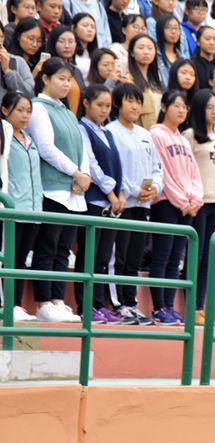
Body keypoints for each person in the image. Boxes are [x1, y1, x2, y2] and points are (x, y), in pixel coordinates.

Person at [26, 57, 92, 324]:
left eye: (69, 79)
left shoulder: (66, 111)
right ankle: (43, 302)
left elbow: (81, 146)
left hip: (74, 191)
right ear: (45, 79)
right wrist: (75, 172)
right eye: (61, 78)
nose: (66, 84)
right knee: (48, 245)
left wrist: (84, 174)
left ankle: (58, 299)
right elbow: (46, 148)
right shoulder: (39, 108)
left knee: (64, 247)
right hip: (52, 188)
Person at [106, 82, 163, 326]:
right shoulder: (111, 131)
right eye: (129, 101)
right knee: (117, 256)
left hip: (143, 205)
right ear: (118, 104)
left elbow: (157, 168)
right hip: (122, 204)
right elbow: (114, 169)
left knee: (134, 257)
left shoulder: (145, 134)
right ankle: (117, 304)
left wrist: (154, 189)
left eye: (138, 101)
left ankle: (131, 302)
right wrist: (132, 190)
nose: (135, 106)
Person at [149, 89, 203, 325]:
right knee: (161, 256)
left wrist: (195, 201)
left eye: (184, 107)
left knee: (175, 259)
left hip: (187, 206)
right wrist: (183, 201)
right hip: (166, 203)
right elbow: (163, 172)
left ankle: (169, 306)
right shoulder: (156, 134)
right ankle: (158, 307)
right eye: (176, 106)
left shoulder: (183, 139)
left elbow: (194, 173)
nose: (181, 110)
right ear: (164, 107)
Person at [75, 83, 126, 325]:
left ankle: (98, 303)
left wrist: (122, 192)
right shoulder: (82, 129)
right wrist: (111, 192)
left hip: (113, 203)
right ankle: (85, 306)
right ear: (86, 103)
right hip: (95, 201)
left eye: (108, 106)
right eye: (99, 105)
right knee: (90, 255)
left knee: (104, 258)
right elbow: (91, 165)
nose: (104, 110)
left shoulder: (107, 132)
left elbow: (119, 164)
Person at [184, 89, 215, 325]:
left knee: (209, 258)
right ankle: (191, 306)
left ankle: (200, 307)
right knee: (197, 255)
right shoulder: (190, 136)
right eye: (210, 107)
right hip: (199, 201)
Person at [2, 91, 43, 323]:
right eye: (20, 110)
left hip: (33, 210)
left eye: (28, 111)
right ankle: (7, 303)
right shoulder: (4, 136)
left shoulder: (30, 139)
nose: (25, 115)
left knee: (20, 261)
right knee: (8, 259)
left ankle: (16, 304)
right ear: (5, 110)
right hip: (13, 209)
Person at [126, 33, 163, 128]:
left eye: (150, 48)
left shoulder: (156, 80)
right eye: (141, 48)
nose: (146, 52)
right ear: (132, 52)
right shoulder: (128, 80)